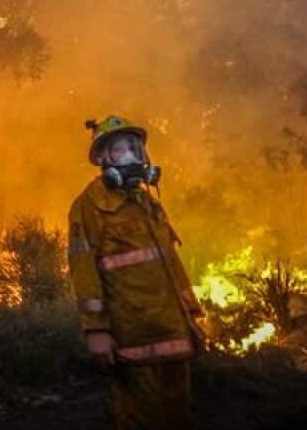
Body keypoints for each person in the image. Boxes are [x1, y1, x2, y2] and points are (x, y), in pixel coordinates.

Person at [68, 116, 206, 429]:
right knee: (139, 420)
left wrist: (192, 318)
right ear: (103, 158)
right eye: (120, 149)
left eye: (136, 147)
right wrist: (97, 331)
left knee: (179, 417)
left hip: (174, 334)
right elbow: (84, 271)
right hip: (132, 336)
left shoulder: (149, 203)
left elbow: (172, 266)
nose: (132, 155)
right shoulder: (89, 206)